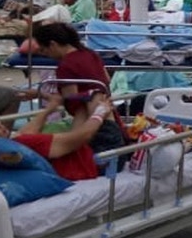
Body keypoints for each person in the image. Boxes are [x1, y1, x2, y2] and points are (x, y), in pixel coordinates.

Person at [0, 92, 115, 182]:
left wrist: (49, 109)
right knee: (97, 99)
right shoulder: (20, 145)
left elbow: (26, 133)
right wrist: (100, 113)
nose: (0, 125)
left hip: (76, 150)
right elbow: (82, 136)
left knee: (82, 109)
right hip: (97, 161)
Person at [32, 22, 126, 159]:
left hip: (89, 123)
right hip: (109, 116)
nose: (47, 55)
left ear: (52, 44)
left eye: (44, 50)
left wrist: (40, 95)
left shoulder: (66, 66)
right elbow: (106, 80)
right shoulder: (90, 54)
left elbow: (72, 99)